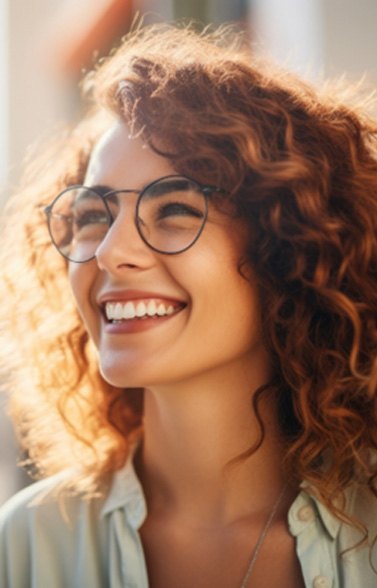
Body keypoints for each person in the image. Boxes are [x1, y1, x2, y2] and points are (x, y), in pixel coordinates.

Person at [0, 23, 376, 588]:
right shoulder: (26, 547)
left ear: (290, 245)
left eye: (175, 208)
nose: (109, 251)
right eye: (92, 215)